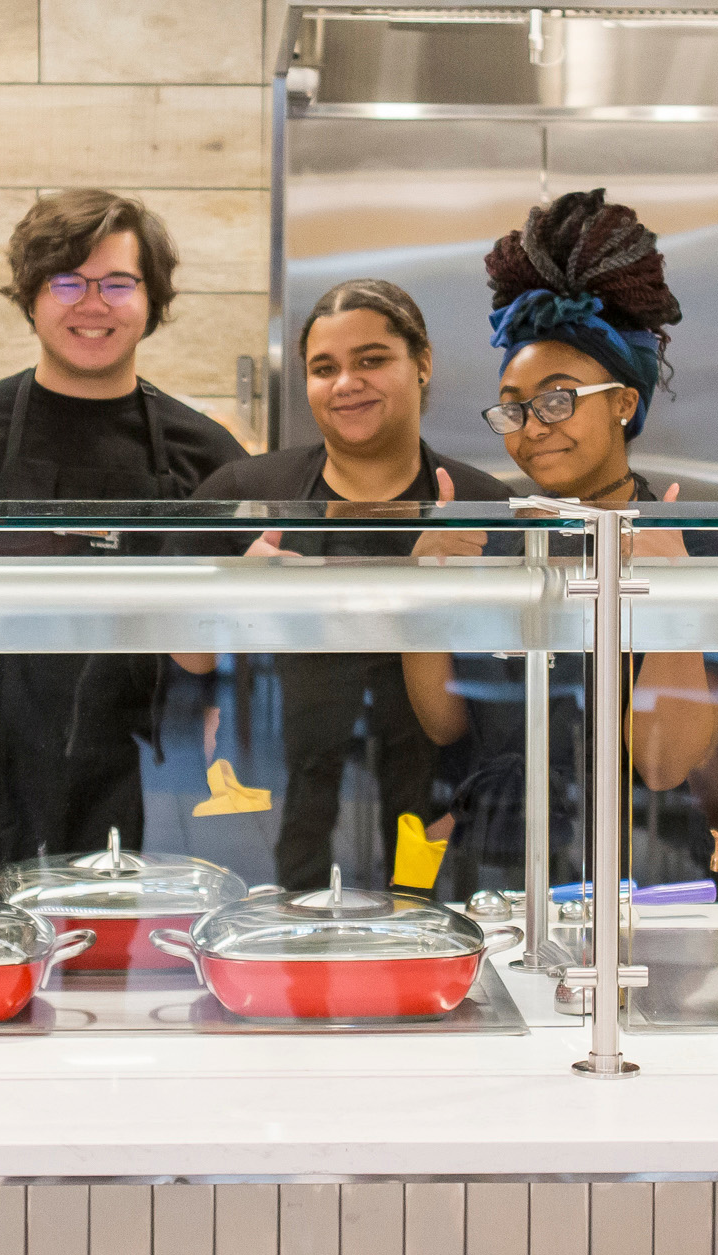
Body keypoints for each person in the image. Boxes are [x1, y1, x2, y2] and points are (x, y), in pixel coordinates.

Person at [0, 190, 248, 883]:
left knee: (111, 922)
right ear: (30, 297)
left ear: (152, 299)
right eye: (67, 283)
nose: (93, 304)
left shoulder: (207, 455)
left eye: (118, 283)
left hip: (146, 751)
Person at [400, 189, 718, 899]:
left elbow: (664, 767)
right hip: (497, 863)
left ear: (624, 401)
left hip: (643, 868)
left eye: (558, 399)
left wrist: (673, 609)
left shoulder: (692, 546)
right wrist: (423, 594)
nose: (533, 427)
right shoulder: (495, 545)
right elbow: (446, 724)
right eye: (513, 408)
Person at [186, 278, 517, 889]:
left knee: (414, 821)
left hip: (440, 769)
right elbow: (182, 657)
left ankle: (415, 915)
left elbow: (496, 712)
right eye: (324, 368)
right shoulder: (248, 494)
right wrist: (232, 598)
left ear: (422, 363)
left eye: (371, 360)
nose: (346, 383)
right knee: (308, 801)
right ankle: (297, 915)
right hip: (283, 763)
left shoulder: (482, 504)